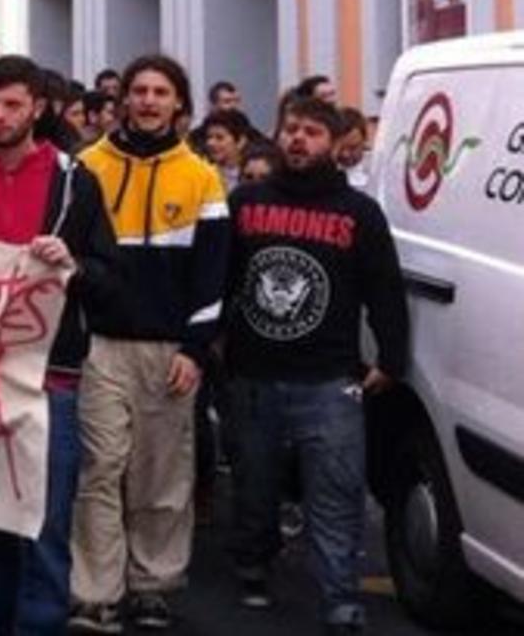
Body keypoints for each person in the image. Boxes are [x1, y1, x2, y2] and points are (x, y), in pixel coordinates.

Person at [0, 58, 122, 635]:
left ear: (38, 107)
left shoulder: (74, 180)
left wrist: (74, 266)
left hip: (49, 382)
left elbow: (111, 277)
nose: (0, 116)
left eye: (12, 104)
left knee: (46, 524)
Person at [224, 98, 409, 634]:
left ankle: (339, 596)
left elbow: (385, 290)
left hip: (330, 379)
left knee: (335, 491)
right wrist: (212, 345)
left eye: (311, 132)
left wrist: (391, 359)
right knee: (255, 485)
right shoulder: (247, 202)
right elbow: (222, 278)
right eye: (291, 130)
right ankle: (253, 567)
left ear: (333, 142)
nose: (298, 140)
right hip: (253, 374)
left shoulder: (359, 213)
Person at [71, 55, 231, 633]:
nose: (147, 100)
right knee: (100, 469)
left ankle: (153, 585)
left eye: (160, 92)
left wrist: (194, 348)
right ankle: (95, 592)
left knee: (161, 477)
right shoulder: (85, 167)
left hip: (170, 350)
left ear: (178, 104)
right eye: (138, 90)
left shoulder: (203, 177)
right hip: (101, 347)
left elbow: (214, 276)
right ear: (123, 101)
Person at [200, 109, 261, 191]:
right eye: (209, 137)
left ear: (240, 141)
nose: (210, 143)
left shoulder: (254, 174)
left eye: (219, 138)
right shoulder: (202, 173)